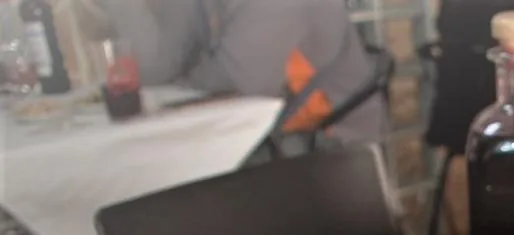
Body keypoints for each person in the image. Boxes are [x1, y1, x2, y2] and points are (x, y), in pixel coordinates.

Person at [75, 0, 385, 144]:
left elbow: (238, 83)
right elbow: (157, 67)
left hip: (326, 134)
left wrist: (184, 78)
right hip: (257, 124)